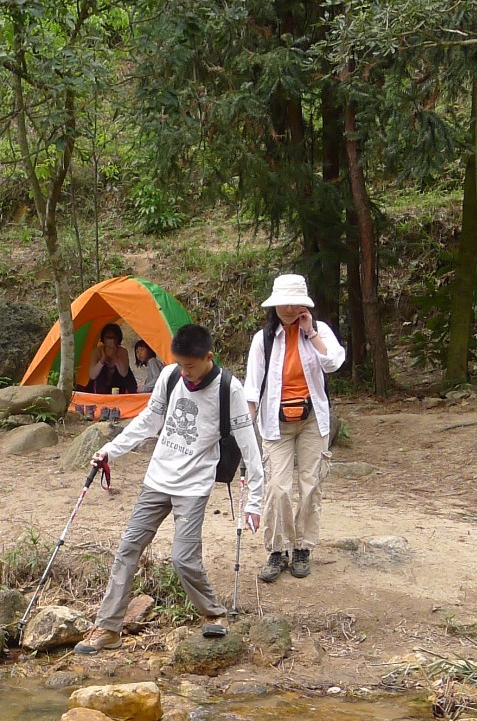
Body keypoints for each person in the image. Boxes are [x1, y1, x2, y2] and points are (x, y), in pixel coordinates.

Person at [74, 323, 264, 654]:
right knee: (128, 548)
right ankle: (107, 628)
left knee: (183, 558)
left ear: (209, 357)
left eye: (191, 366)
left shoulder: (229, 389)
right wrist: (111, 450)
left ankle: (214, 614)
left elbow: (249, 445)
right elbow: (149, 421)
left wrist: (255, 502)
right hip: (157, 478)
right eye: (180, 365)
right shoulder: (171, 376)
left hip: (194, 483)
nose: (186, 374)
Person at [243, 273, 346, 583]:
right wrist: (245, 430)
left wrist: (310, 332)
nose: (288, 309)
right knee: (278, 487)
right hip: (275, 423)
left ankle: (302, 547)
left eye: (294, 303)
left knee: (311, 483)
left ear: (303, 304)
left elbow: (333, 362)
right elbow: (251, 387)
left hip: (313, 419)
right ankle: (277, 550)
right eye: (282, 304)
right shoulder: (263, 339)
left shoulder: (318, 332)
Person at [83, 322, 134, 395]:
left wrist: (116, 358)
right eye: (108, 337)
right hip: (100, 388)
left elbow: (124, 373)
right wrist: (102, 360)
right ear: (103, 338)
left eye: (113, 337)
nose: (111, 339)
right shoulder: (97, 351)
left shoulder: (122, 351)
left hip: (118, 386)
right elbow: (92, 375)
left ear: (118, 339)